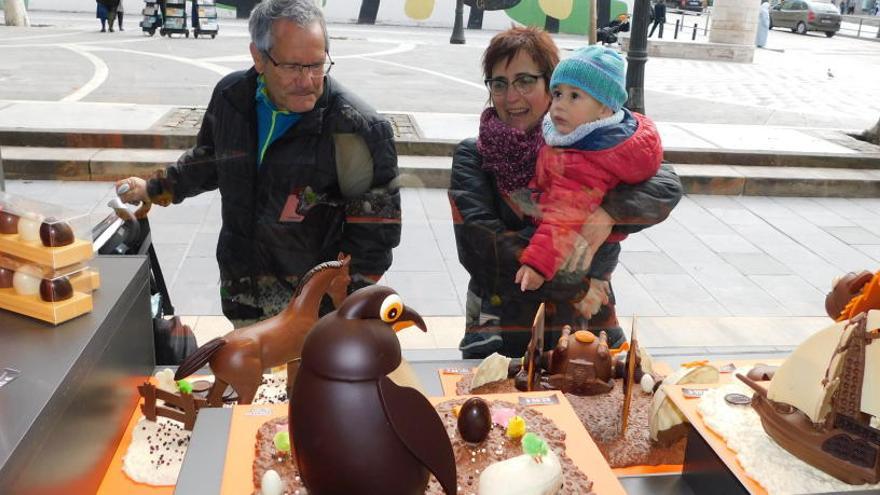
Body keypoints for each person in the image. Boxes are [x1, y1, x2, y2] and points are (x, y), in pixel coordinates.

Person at [117, 0, 401, 327]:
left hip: (313, 307)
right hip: (243, 288)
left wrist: (346, 305)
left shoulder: (356, 127)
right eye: (293, 67)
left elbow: (376, 231)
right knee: (246, 375)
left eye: (317, 64)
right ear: (258, 57)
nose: (308, 80)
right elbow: (209, 160)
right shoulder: (231, 98)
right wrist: (155, 189)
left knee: (307, 379)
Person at [449, 27, 682, 359]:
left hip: (588, 330)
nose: (511, 96)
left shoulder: (586, 142)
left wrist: (608, 214)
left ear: (548, 82)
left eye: (525, 81)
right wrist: (581, 284)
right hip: (503, 329)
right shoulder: (474, 155)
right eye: (499, 83)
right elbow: (484, 249)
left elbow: (667, 184)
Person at [514, 46, 663, 302]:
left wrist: (537, 265)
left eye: (574, 97)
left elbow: (564, 216)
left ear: (605, 109)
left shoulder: (586, 157)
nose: (560, 105)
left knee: (577, 318)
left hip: (584, 248)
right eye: (558, 94)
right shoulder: (596, 136)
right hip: (589, 243)